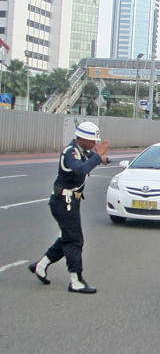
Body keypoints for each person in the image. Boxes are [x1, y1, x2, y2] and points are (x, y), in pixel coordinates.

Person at [29, 121, 109, 294]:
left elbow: (90, 160)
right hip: (63, 200)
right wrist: (97, 156)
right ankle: (76, 281)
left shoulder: (82, 151)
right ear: (81, 138)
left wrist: (102, 158)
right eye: (91, 141)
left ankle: (41, 265)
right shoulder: (70, 152)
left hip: (71, 200)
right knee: (74, 240)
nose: (94, 144)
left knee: (67, 237)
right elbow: (80, 170)